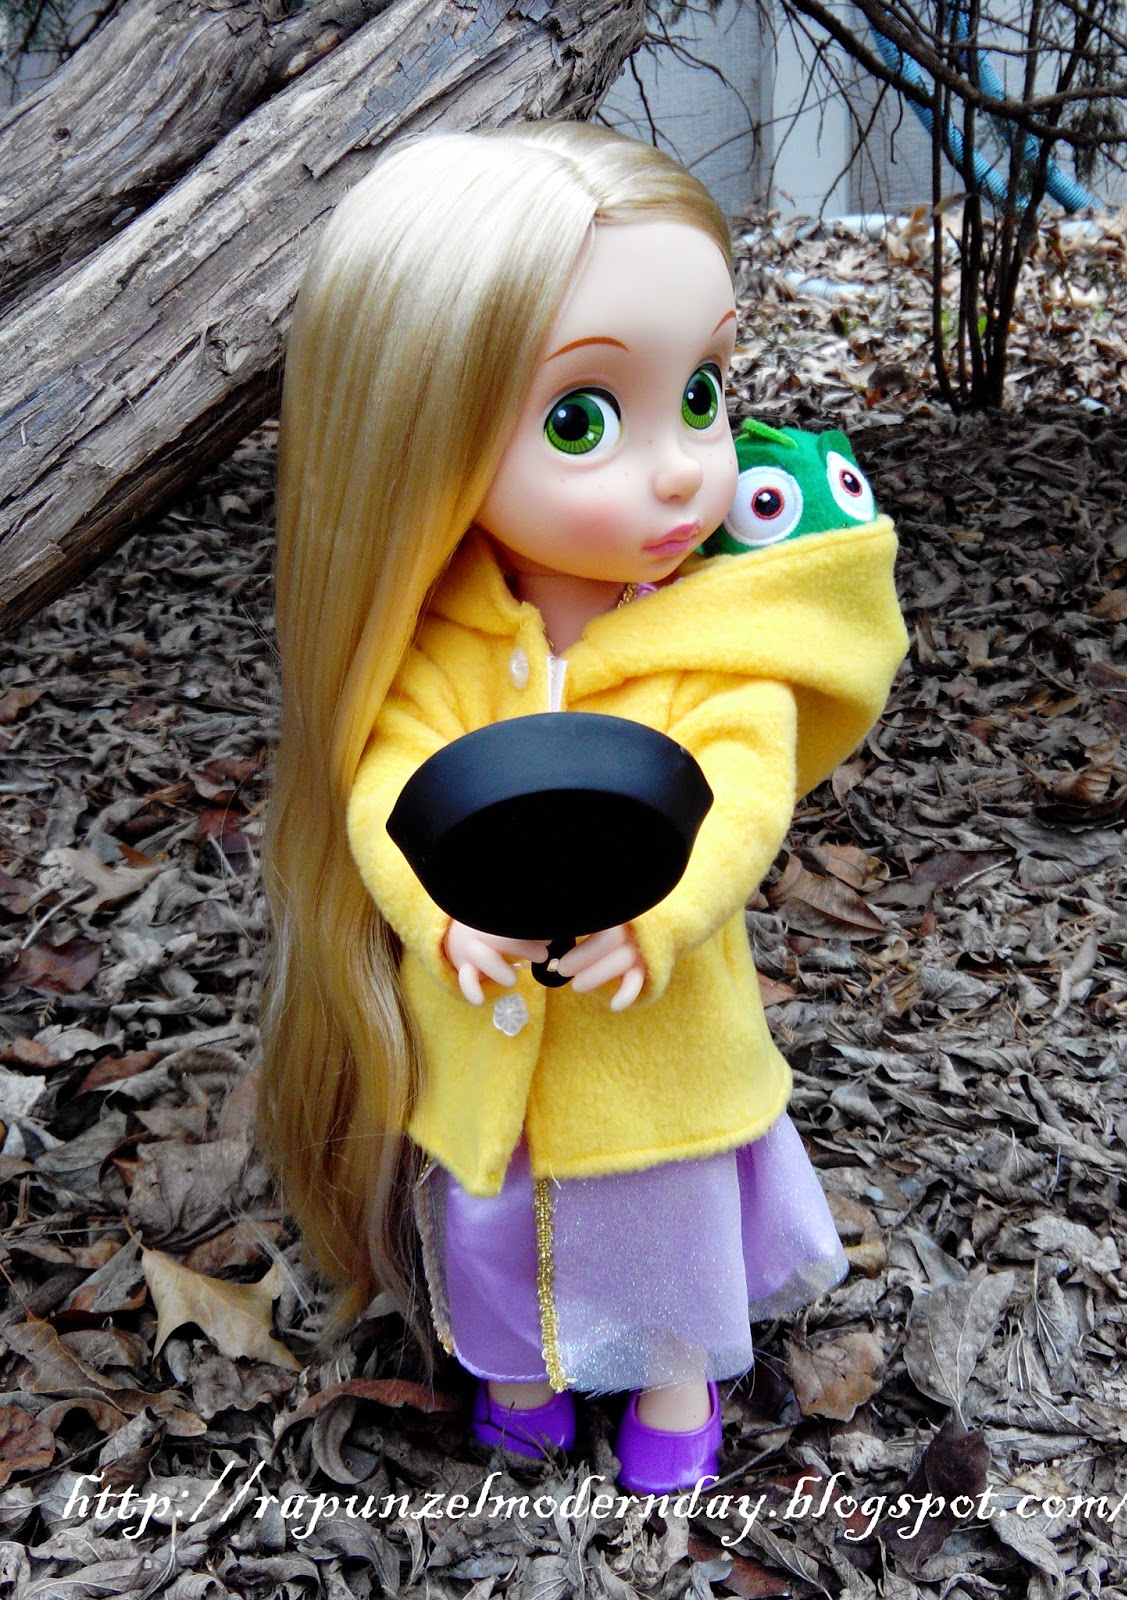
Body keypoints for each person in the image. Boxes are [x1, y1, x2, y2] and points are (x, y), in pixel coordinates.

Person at [259, 120, 907, 1494]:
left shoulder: (719, 643)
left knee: (660, 1218)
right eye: (583, 419)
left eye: (704, 394)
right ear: (421, 437)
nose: (680, 469)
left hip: (654, 1032)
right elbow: (386, 786)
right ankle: (521, 1383)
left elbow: (741, 798)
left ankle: (674, 1394)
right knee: (491, 1221)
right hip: (484, 1034)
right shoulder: (439, 641)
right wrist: (434, 915)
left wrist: (662, 917)